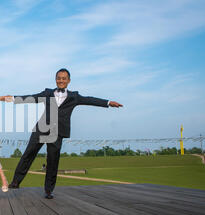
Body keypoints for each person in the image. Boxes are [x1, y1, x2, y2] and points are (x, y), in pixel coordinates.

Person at [8, 68, 123, 199]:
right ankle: (15, 182)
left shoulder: (74, 96)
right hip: (42, 128)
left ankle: (48, 191)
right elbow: (31, 98)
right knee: (29, 154)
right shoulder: (47, 93)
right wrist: (12, 98)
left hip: (58, 131)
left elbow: (90, 100)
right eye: (59, 78)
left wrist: (107, 103)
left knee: (53, 160)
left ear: (68, 81)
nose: (61, 80)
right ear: (55, 79)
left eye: (64, 78)